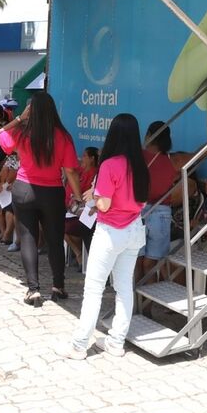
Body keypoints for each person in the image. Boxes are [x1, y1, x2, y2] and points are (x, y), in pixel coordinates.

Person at [62, 113, 149, 360]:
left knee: (94, 289)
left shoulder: (110, 164)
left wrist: (94, 196)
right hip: (134, 230)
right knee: (123, 288)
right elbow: (140, 200)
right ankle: (115, 343)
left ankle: (79, 345)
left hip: (111, 232)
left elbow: (104, 205)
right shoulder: (141, 165)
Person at [0, 92, 81, 307]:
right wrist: (78, 196)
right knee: (54, 240)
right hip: (52, 192)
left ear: (30, 111)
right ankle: (58, 286)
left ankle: (33, 290)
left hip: (24, 189)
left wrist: (19, 118)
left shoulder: (23, 131)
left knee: (28, 239)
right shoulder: (62, 136)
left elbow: (0, 136)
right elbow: (70, 170)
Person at [139, 121, 181, 278]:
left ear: (149, 135)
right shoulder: (172, 160)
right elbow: (199, 153)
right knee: (150, 264)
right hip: (161, 214)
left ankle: (136, 301)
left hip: (139, 211)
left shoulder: (138, 155)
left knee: (137, 262)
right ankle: (148, 301)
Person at [64, 147, 99, 267]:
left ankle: (82, 257)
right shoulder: (80, 170)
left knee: (69, 228)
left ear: (92, 159)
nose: (82, 158)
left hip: (85, 210)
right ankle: (78, 253)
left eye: (84, 156)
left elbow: (88, 195)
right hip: (71, 208)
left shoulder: (94, 173)